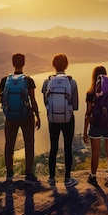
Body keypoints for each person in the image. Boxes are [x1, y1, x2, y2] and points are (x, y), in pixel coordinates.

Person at [0, 53, 41, 184]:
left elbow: (2, 99)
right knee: (29, 143)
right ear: (24, 63)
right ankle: (29, 173)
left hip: (10, 117)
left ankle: (9, 173)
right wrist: (38, 116)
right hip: (26, 116)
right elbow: (33, 100)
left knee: (9, 144)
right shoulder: (28, 80)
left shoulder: (5, 80)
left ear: (13, 63)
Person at [41, 53, 79, 188]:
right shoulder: (72, 82)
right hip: (68, 119)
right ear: (67, 65)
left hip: (53, 119)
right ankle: (67, 179)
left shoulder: (47, 81)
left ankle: (52, 178)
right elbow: (74, 105)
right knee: (68, 148)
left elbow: (45, 102)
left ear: (53, 65)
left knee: (53, 148)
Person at [83, 66, 108, 189]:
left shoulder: (91, 92)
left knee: (95, 153)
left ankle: (93, 177)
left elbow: (88, 113)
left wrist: (84, 132)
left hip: (96, 125)